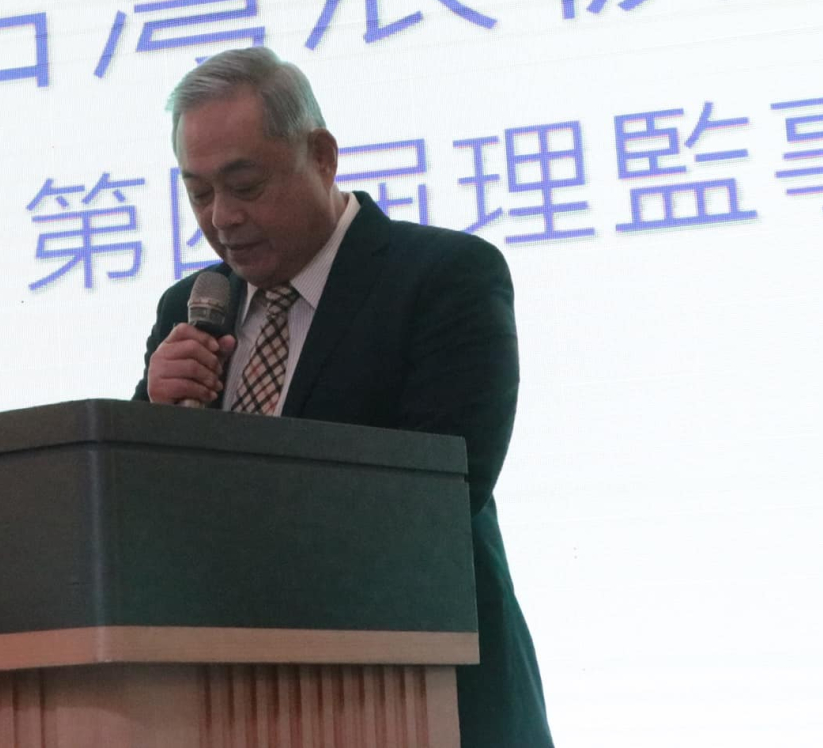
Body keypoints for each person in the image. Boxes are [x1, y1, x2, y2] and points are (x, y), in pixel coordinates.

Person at [133, 47, 554, 748]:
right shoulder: (190, 306)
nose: (222, 217)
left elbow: (443, 494)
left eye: (245, 184)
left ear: (321, 157)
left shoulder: (442, 278)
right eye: (199, 194)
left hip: (421, 692)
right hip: (228, 703)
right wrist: (149, 414)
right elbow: (143, 522)